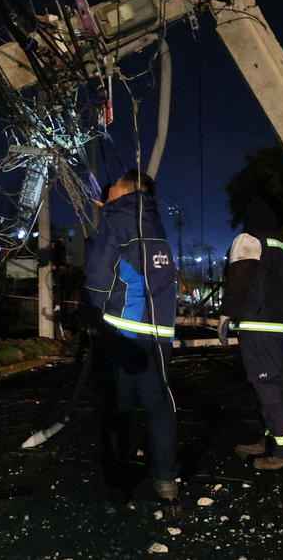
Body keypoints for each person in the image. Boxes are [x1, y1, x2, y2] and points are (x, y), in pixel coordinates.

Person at [84, 170, 180, 502]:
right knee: (159, 407)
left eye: (110, 191)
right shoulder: (154, 223)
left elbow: (98, 274)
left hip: (123, 331)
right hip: (159, 333)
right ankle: (167, 481)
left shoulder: (116, 222)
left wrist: (93, 313)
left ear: (123, 192)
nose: (105, 194)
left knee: (117, 407)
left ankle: (116, 484)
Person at [218, 193, 283, 470]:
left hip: (260, 326)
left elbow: (238, 279)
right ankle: (269, 441)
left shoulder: (250, 239)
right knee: (270, 385)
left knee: (268, 387)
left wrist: (225, 315)